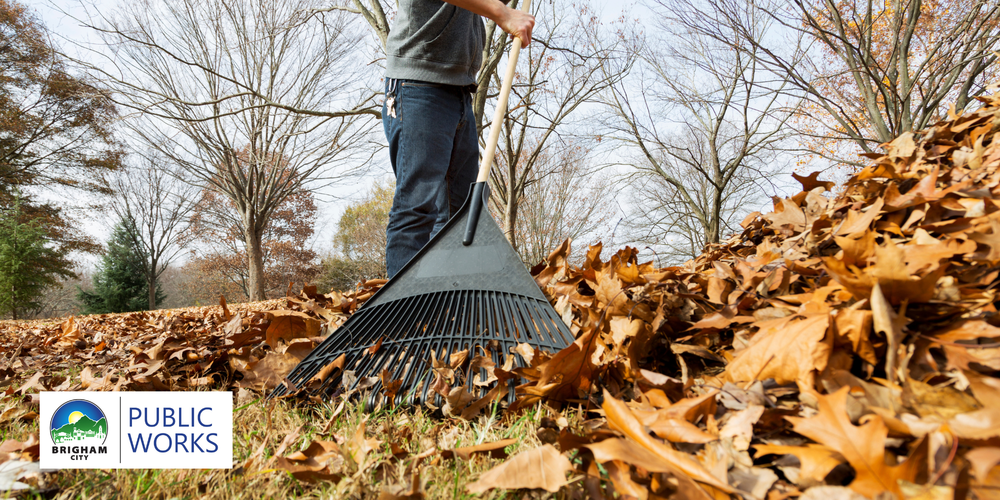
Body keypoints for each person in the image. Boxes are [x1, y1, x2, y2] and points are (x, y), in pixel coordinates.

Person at [383, 0, 534, 278]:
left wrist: (503, 8)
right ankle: (404, 304)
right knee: (417, 208)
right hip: (419, 85)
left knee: (458, 213)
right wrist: (502, 14)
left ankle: (446, 299)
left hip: (460, 90)